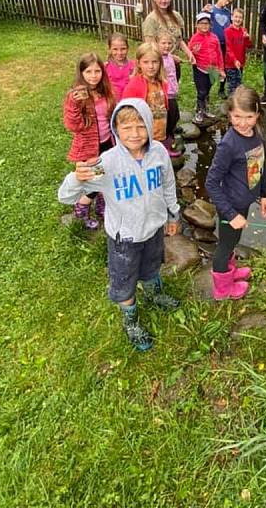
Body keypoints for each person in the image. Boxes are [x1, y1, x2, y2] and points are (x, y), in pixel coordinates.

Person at [58, 99, 180, 352]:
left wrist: (173, 215)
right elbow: (65, 197)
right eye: (126, 128)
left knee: (152, 265)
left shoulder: (159, 153)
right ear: (115, 129)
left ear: (149, 124)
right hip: (124, 238)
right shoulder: (108, 163)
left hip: (154, 229)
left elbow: (168, 185)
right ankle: (131, 320)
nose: (134, 134)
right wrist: (76, 178)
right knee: (124, 279)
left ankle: (154, 294)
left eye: (140, 126)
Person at [205, 86, 266, 300]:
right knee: (224, 246)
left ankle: (230, 272)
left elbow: (260, 166)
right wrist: (231, 214)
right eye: (237, 117)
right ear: (229, 114)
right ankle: (222, 289)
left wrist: (264, 194)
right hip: (230, 206)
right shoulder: (228, 144)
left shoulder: (258, 134)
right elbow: (211, 182)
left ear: (257, 115)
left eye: (249, 117)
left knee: (233, 240)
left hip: (244, 201)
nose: (243, 123)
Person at [63, 52, 116, 229]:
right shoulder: (77, 96)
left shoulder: (105, 92)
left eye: (97, 71)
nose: (94, 76)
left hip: (107, 143)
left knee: (105, 177)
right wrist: (74, 105)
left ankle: (102, 207)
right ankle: (81, 207)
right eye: (89, 72)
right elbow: (73, 125)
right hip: (88, 148)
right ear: (81, 73)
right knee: (93, 181)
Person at [123, 42, 180, 158]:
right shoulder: (134, 85)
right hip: (143, 133)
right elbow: (125, 113)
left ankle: (164, 147)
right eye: (146, 62)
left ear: (160, 63)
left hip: (160, 127)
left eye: (155, 62)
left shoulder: (162, 82)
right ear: (138, 63)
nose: (151, 66)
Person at [141, 0, 196, 79]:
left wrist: (189, 53)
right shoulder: (151, 19)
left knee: (173, 89)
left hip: (174, 64)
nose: (163, 1)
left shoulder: (176, 16)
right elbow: (150, 45)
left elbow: (179, 40)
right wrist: (170, 57)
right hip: (159, 64)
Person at [188, 11, 225, 124]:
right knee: (201, 91)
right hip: (200, 69)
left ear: (210, 25)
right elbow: (189, 53)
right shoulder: (194, 38)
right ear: (197, 25)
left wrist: (221, 69)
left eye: (206, 23)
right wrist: (193, 52)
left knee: (208, 90)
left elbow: (219, 54)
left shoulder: (214, 38)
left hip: (213, 70)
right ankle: (199, 110)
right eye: (202, 23)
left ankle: (205, 109)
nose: (204, 25)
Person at [158, 30, 182, 155]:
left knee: (175, 116)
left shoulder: (170, 57)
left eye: (169, 43)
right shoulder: (157, 59)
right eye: (163, 43)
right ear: (157, 43)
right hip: (164, 95)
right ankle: (166, 145)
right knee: (168, 118)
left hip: (172, 93)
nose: (166, 46)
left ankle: (170, 139)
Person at [209, 0, 234, 97]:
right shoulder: (211, 10)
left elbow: (231, 26)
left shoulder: (228, 13)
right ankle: (208, 87)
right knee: (212, 65)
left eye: (229, 1)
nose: (227, 2)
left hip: (224, 44)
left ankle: (221, 88)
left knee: (223, 66)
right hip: (213, 43)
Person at [224, 7, 252, 94]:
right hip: (230, 63)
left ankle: (237, 103)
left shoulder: (243, 30)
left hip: (241, 62)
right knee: (232, 86)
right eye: (236, 17)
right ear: (232, 17)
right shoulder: (227, 31)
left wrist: (247, 38)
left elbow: (249, 45)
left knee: (238, 84)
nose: (238, 19)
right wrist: (234, 60)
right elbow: (229, 48)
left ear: (242, 19)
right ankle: (231, 104)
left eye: (240, 17)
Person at [105, 32, 135, 101]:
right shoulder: (105, 67)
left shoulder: (134, 66)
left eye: (123, 49)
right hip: (112, 103)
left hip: (130, 102)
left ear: (128, 48)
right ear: (109, 49)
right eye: (115, 49)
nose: (119, 53)